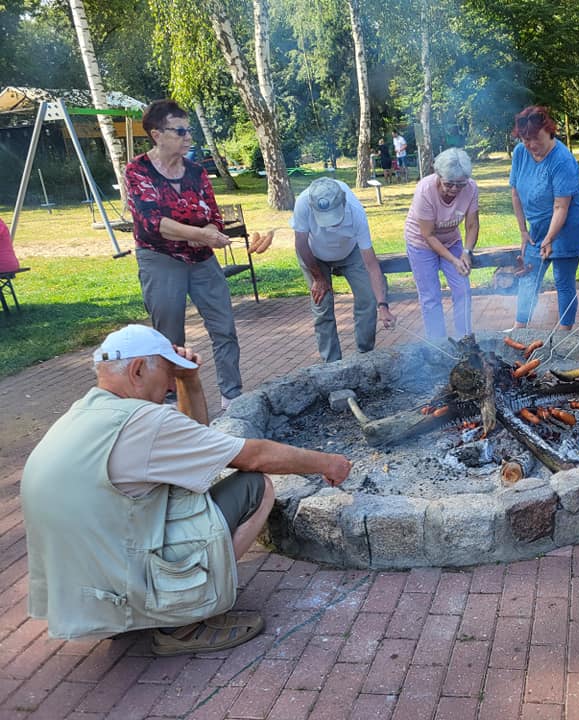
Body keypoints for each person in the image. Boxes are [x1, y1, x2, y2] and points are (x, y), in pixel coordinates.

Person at [21, 325, 352, 653]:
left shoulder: (83, 413)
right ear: (137, 370)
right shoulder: (145, 423)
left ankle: (137, 614)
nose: (168, 384)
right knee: (256, 487)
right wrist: (326, 463)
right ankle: (183, 621)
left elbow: (195, 444)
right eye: (167, 373)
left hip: (81, 597)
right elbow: (254, 456)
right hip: (119, 586)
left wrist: (188, 381)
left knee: (187, 491)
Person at [125, 99, 242, 411]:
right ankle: (172, 403)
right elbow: (152, 223)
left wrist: (209, 232)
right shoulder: (138, 171)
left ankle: (233, 398)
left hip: (202, 259)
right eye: (181, 131)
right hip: (160, 259)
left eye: (189, 130)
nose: (188, 137)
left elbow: (213, 215)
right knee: (169, 338)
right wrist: (198, 234)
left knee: (224, 328)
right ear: (157, 134)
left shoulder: (195, 171)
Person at [291, 177, 396, 362]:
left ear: (343, 201)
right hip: (313, 253)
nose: (331, 224)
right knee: (322, 305)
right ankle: (332, 364)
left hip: (350, 250)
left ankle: (365, 356)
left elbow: (371, 265)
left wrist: (383, 305)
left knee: (368, 297)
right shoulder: (303, 203)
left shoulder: (356, 212)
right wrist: (318, 278)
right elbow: (301, 243)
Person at [510, 105, 579, 331]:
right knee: (529, 277)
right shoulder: (520, 153)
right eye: (525, 139)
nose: (531, 145)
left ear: (548, 130)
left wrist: (549, 239)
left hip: (567, 227)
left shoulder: (562, 160)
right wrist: (523, 231)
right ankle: (520, 328)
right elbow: (515, 192)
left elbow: (561, 206)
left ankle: (565, 334)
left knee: (562, 280)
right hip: (537, 227)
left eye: (535, 138)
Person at [404, 148, 480, 340]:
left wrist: (466, 252)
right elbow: (428, 235)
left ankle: (465, 340)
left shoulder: (470, 188)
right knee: (431, 296)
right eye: (449, 184)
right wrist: (454, 260)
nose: (454, 189)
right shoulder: (425, 190)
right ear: (438, 175)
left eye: (460, 184)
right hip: (421, 243)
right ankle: (437, 343)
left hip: (451, 239)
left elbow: (472, 225)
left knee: (463, 289)